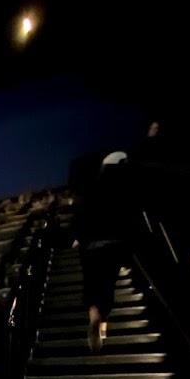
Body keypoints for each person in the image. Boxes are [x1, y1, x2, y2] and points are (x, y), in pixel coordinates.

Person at [73, 151, 132, 352]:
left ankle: (95, 320)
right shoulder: (115, 191)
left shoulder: (86, 194)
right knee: (105, 287)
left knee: (93, 286)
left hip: (90, 247)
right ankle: (102, 331)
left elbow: (79, 217)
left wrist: (78, 238)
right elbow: (122, 220)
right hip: (110, 246)